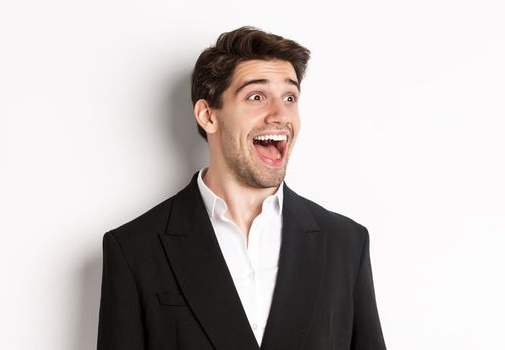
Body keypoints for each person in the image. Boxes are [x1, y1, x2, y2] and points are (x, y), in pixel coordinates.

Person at [97, 26, 386, 350]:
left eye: (290, 97)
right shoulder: (135, 249)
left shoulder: (345, 243)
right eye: (257, 97)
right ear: (208, 115)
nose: (280, 114)